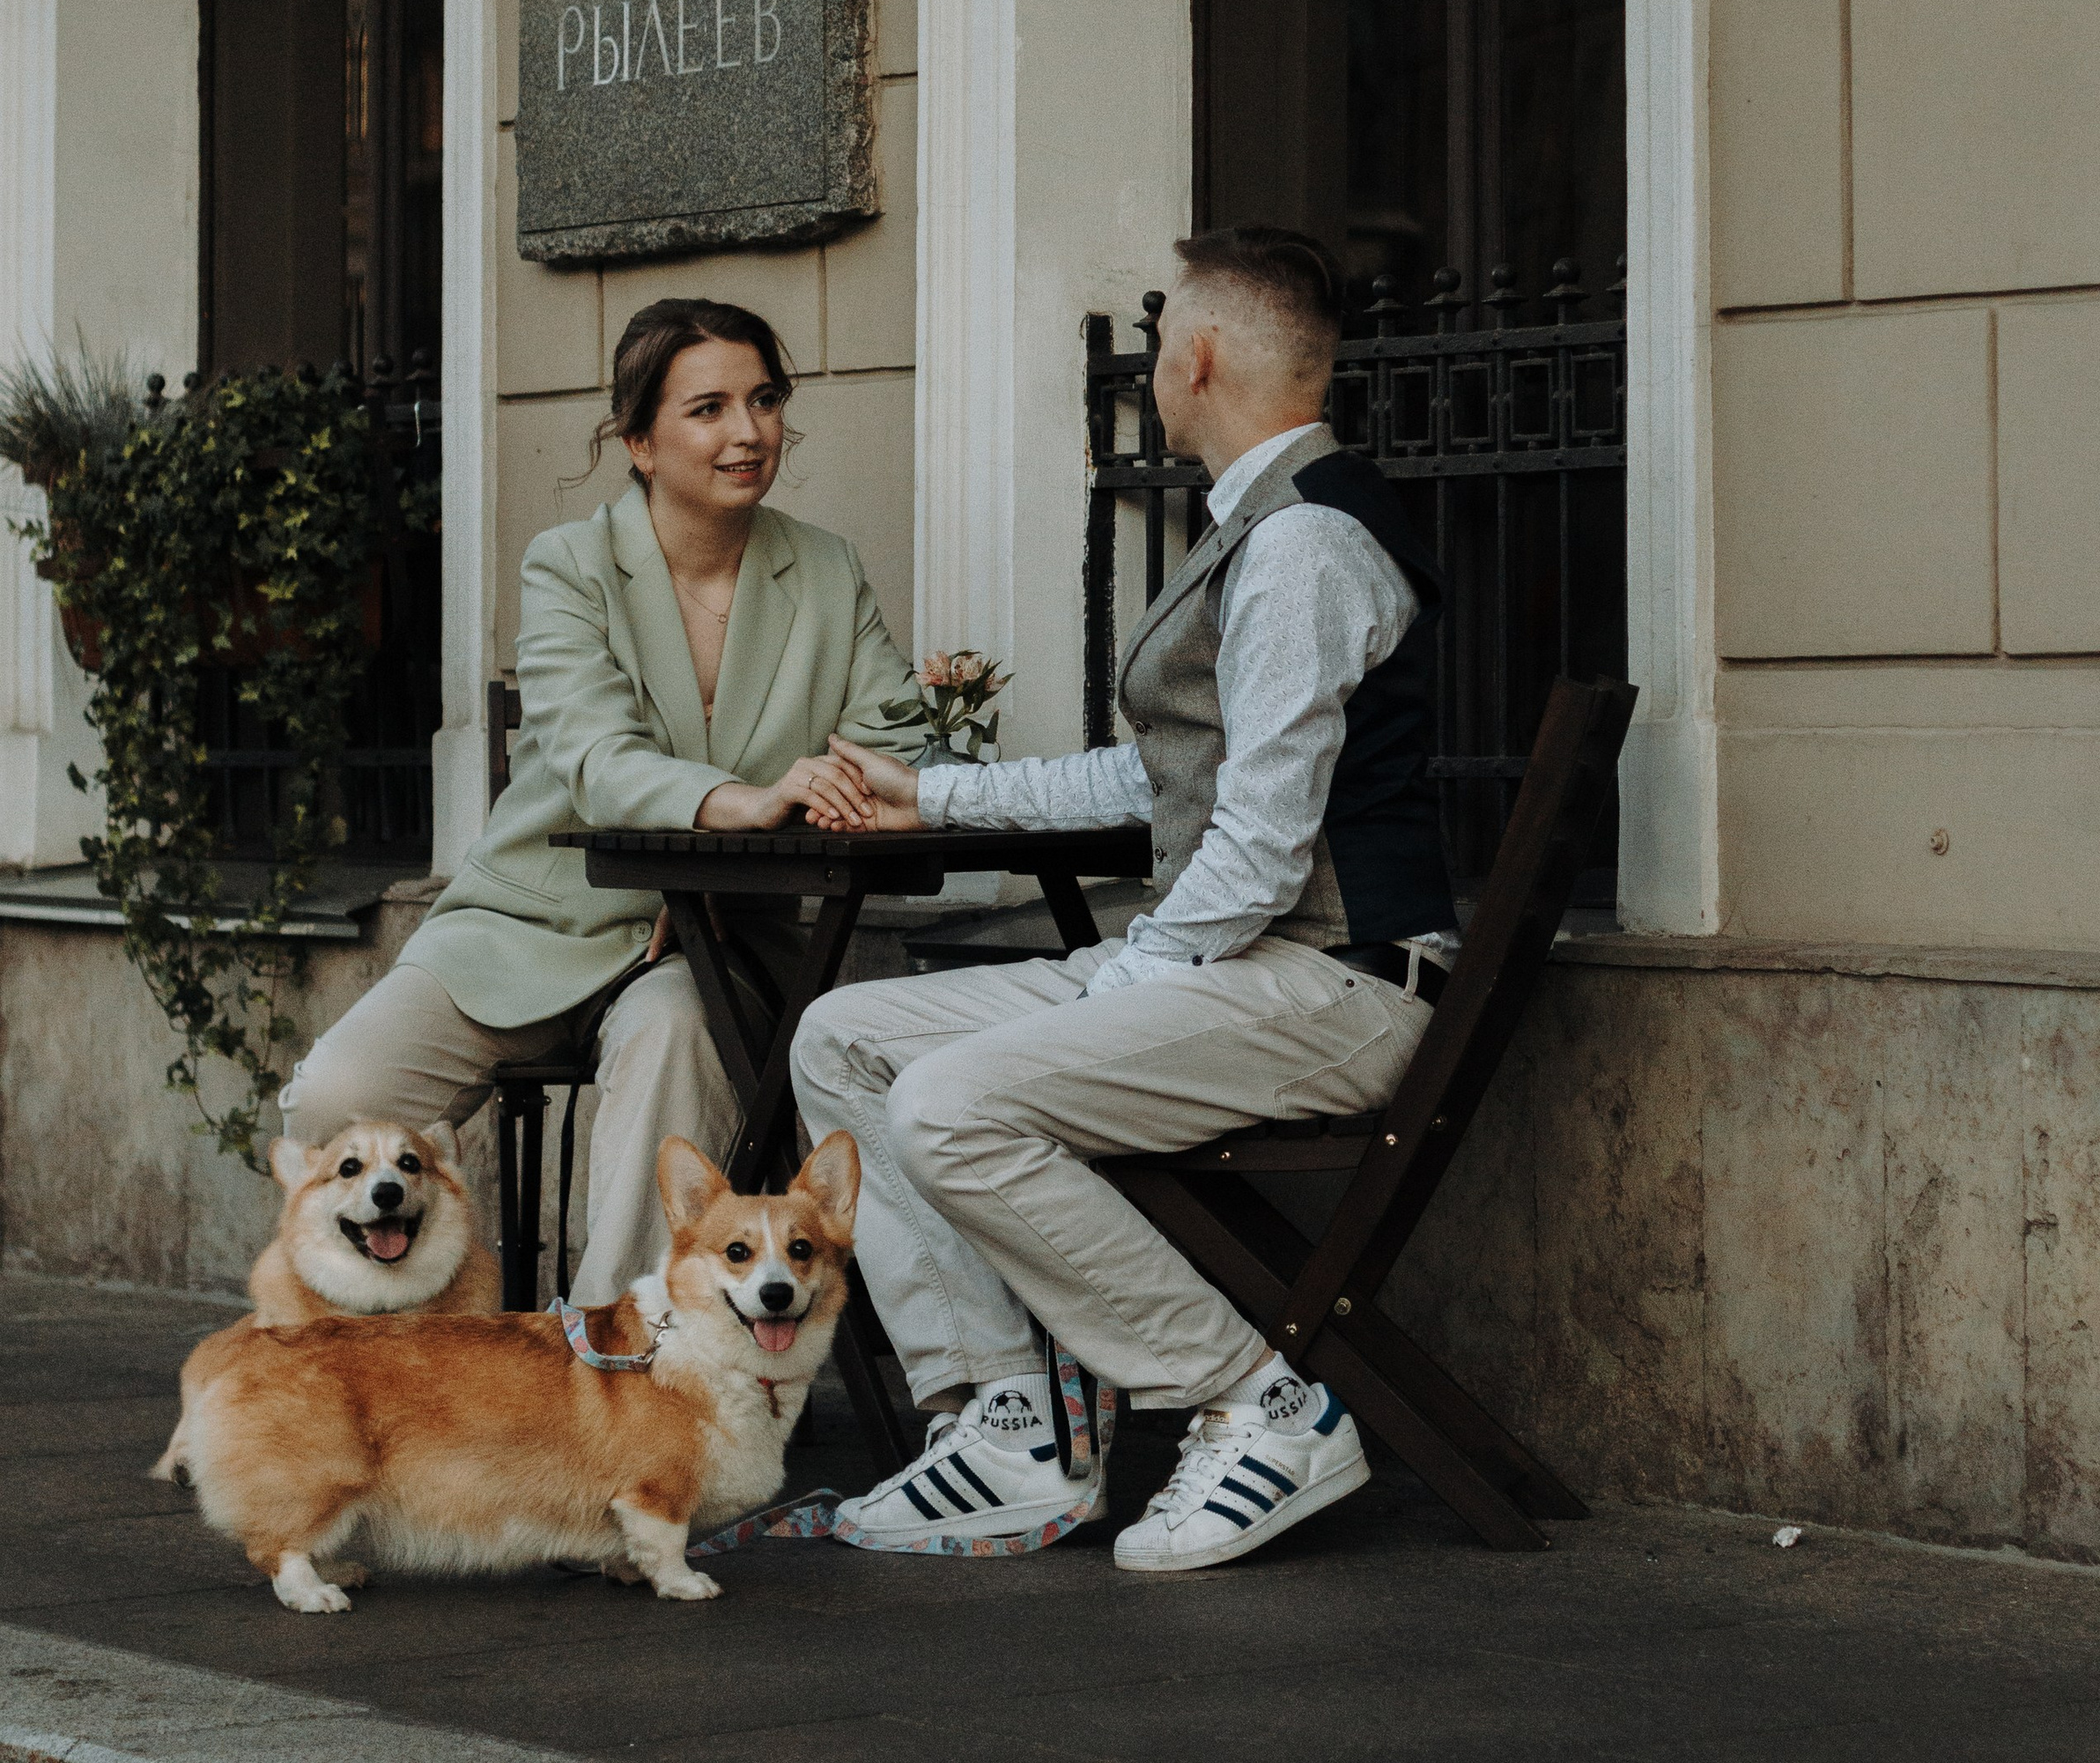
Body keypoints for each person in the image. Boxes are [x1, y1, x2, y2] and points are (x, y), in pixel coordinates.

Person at [791, 224, 1456, 1575]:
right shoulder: (1269, 531)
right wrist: (935, 795)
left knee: (954, 1102)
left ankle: (1259, 1398)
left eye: (1161, 344)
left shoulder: (1306, 544)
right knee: (844, 1042)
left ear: (1198, 353)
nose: (1157, 367)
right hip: (1248, 973)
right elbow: (1163, 779)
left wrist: (1130, 972)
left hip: (1337, 981)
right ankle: (1012, 1413)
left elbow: (1265, 841)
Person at [282, 296, 915, 1302]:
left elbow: (894, 736)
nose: (747, 432)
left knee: (672, 1035)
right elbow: (591, 752)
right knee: (335, 1094)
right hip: (530, 922)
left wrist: (799, 807)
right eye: (707, 408)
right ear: (640, 440)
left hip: (710, 943)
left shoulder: (827, 570)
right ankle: (348, 1359)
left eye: (763, 400)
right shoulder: (570, 565)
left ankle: (611, 1355)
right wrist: (735, 802)